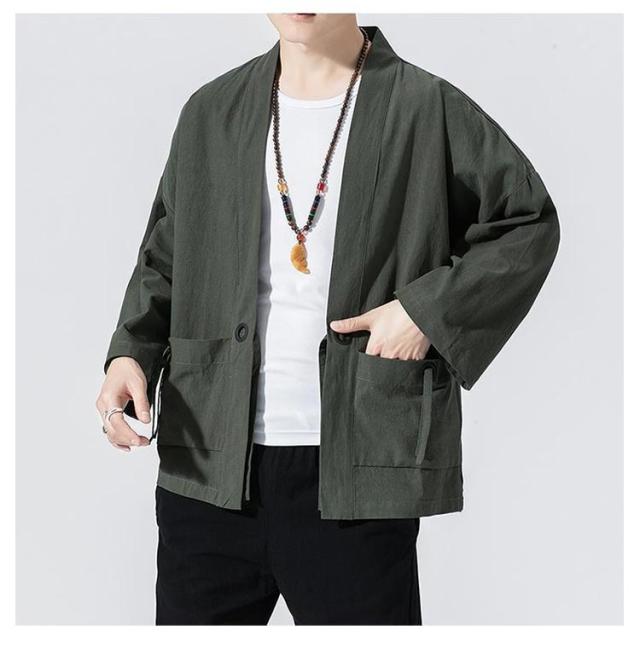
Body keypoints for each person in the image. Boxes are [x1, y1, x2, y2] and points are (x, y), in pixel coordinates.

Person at [96, 14, 560, 625]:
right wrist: (130, 353)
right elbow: (165, 255)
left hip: (355, 475)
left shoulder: (424, 108)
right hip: (207, 467)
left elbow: (526, 221)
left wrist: (424, 314)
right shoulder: (210, 112)